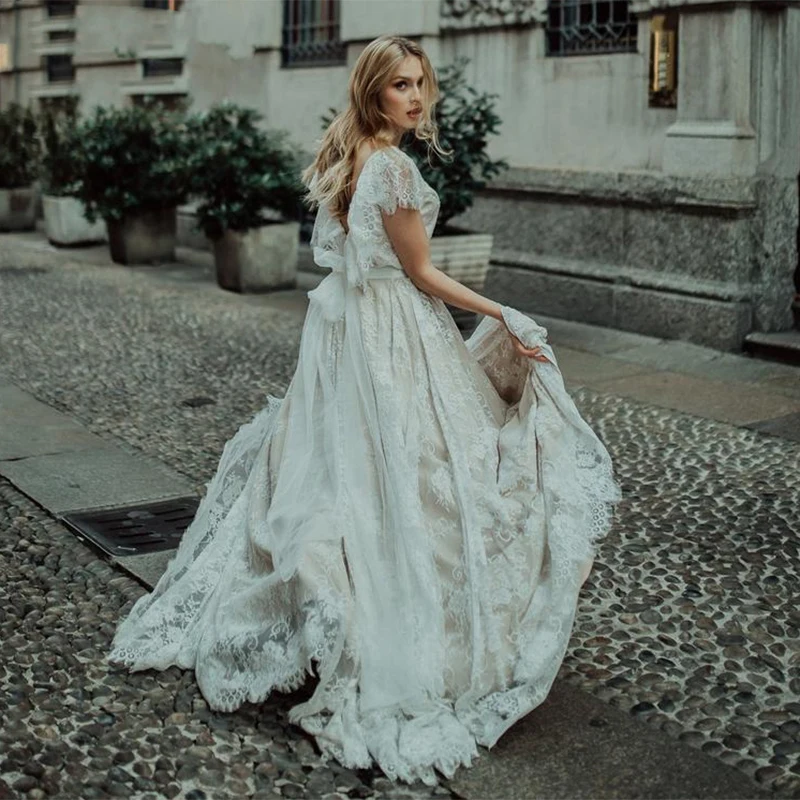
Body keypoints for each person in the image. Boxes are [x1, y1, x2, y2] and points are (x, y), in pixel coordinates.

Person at [108, 34, 622, 786]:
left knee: (353, 469)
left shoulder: (350, 154)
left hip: (349, 332)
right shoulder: (391, 165)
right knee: (416, 469)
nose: (415, 97)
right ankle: (382, 619)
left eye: (421, 83)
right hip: (388, 330)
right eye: (400, 85)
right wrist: (503, 311)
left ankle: (333, 594)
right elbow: (421, 273)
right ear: (373, 92)